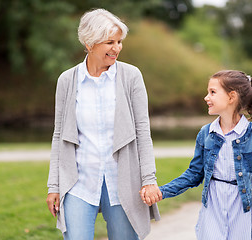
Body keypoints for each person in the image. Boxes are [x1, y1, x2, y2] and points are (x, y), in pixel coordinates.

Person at [46, 8, 162, 240]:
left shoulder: (131, 76)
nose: (117, 48)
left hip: (122, 182)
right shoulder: (67, 81)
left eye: (119, 41)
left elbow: (142, 132)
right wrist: (54, 186)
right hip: (79, 182)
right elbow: (59, 135)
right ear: (90, 43)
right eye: (110, 42)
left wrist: (149, 179)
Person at [141, 70, 252, 240]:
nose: (206, 97)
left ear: (231, 97)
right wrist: (162, 191)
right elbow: (194, 174)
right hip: (212, 212)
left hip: (242, 214)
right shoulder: (206, 133)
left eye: (212, 92)